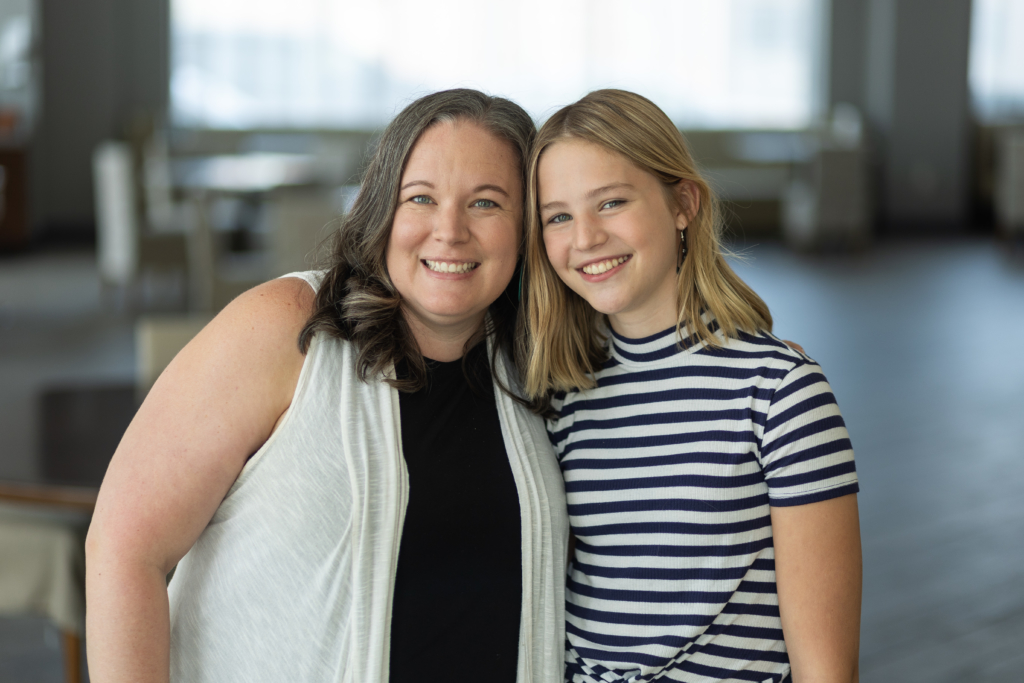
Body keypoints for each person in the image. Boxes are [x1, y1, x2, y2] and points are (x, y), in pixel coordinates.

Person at [85, 89, 569, 683]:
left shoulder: (540, 369)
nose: (450, 230)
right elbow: (125, 548)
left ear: (527, 228)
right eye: (420, 197)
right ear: (379, 210)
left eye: (487, 203)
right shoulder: (291, 325)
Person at [519, 90, 862, 683]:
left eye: (612, 202)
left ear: (683, 203)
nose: (585, 238)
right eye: (559, 216)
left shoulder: (781, 394)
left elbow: (826, 672)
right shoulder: (559, 398)